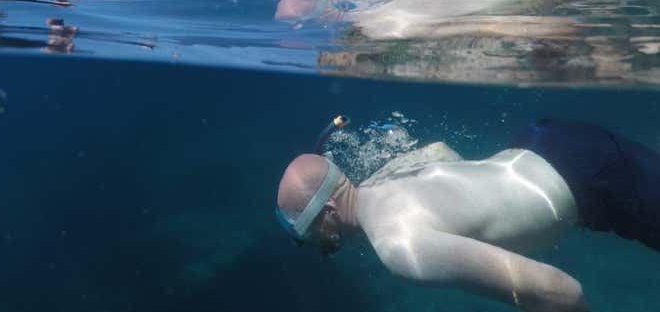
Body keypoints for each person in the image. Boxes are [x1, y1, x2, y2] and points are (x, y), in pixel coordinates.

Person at [276, 119, 660, 312]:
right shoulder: (381, 177)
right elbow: (441, 151)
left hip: (589, 177)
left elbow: (561, 291)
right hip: (541, 140)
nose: (309, 244)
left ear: (328, 211)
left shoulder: (398, 246)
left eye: (303, 232)